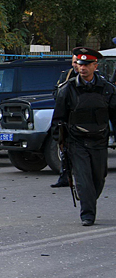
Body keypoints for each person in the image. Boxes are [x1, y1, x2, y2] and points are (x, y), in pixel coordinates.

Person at [51, 46, 116, 226]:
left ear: (95, 65)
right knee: (83, 178)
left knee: (98, 177)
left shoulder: (107, 89)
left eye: (87, 64)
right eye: (80, 64)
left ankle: (89, 200)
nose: (83, 68)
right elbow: (58, 118)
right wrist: (60, 141)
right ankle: (87, 214)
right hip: (76, 141)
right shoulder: (68, 88)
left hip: (99, 140)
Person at [51, 55, 79, 188]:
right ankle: (65, 177)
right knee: (65, 150)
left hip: (86, 124)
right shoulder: (66, 76)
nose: (77, 65)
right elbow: (56, 93)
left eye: (79, 62)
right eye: (75, 62)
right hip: (69, 119)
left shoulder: (95, 79)